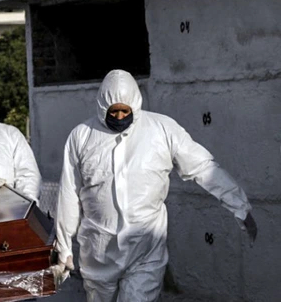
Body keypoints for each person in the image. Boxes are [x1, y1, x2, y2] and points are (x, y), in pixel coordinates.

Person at [56, 70, 257, 302]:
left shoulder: (162, 130)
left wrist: (239, 205)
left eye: (125, 111)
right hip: (99, 252)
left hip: (145, 249)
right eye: (113, 111)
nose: (120, 117)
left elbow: (203, 168)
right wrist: (64, 247)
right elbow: (69, 193)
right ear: (102, 108)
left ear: (135, 105)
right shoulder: (82, 137)